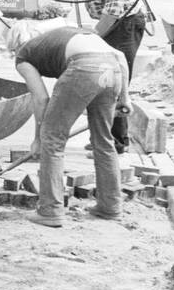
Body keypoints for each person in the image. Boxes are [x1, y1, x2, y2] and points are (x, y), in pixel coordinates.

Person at [8, 20, 131, 228]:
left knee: (52, 139)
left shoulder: (24, 55)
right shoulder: (68, 35)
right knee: (103, 140)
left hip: (83, 68)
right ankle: (110, 207)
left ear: (15, 45)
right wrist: (125, 98)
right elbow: (120, 57)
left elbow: (41, 99)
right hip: (112, 70)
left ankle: (50, 210)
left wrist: (38, 138)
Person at [67, 0, 145, 157]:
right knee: (103, 82)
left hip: (124, 25)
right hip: (112, 23)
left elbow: (114, 6)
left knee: (114, 84)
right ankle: (103, 138)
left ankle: (116, 144)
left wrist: (95, 36)